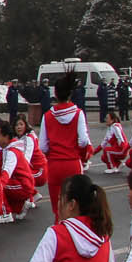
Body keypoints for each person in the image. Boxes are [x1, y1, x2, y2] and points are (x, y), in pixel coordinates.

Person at [38, 75, 91, 203]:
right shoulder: (78, 114)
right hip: (72, 163)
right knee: (76, 205)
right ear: (70, 93)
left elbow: (43, 147)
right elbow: (84, 140)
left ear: (55, 93)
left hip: (54, 165)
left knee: (58, 206)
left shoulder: (47, 116)